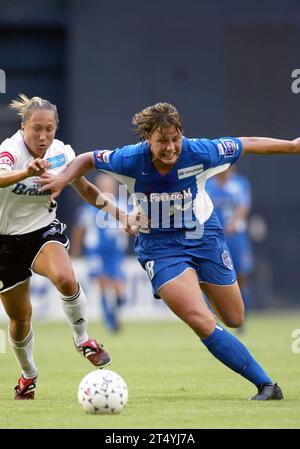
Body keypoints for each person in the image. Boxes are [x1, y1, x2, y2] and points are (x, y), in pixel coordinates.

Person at [38, 101, 300, 401]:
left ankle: (200, 284)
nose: (171, 147)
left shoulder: (200, 152)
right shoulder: (129, 159)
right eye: (163, 140)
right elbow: (86, 159)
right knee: (201, 320)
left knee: (235, 317)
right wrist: (61, 178)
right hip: (160, 247)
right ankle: (267, 385)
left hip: (205, 236)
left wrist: (292, 146)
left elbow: (246, 143)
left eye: (175, 139)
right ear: (147, 138)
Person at [0, 94, 138, 400]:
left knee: (66, 278)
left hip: (41, 232)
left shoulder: (62, 153)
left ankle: (83, 339)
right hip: (4, 242)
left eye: (49, 129)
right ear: (24, 127)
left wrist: (123, 216)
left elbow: (87, 190)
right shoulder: (10, 150)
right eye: (36, 128)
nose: (43, 136)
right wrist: (27, 172)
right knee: (20, 319)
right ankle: (28, 375)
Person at [71, 173, 128, 332]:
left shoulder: (122, 205)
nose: (107, 189)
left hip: (115, 251)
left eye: (110, 186)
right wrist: (76, 251)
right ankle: (109, 320)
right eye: (104, 186)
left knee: (119, 287)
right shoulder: (89, 207)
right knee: (102, 282)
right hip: (96, 251)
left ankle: (114, 311)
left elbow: (130, 224)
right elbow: (79, 228)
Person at [206, 166, 253, 317]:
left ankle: (243, 312)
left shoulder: (239, 183)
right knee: (212, 273)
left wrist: (234, 222)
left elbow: (244, 205)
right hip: (215, 237)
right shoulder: (208, 185)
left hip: (235, 235)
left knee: (240, 274)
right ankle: (213, 314)